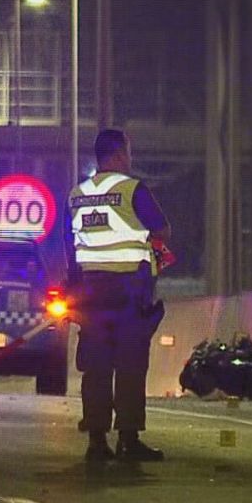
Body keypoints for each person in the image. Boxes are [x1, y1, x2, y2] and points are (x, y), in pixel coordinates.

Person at [65, 128, 174, 463]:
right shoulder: (132, 189)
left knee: (96, 367)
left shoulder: (76, 194)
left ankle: (97, 441)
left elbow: (70, 246)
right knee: (130, 364)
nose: (130, 159)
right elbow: (161, 229)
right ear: (116, 154)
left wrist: (73, 290)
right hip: (128, 291)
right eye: (128, 152)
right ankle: (128, 438)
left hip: (90, 292)